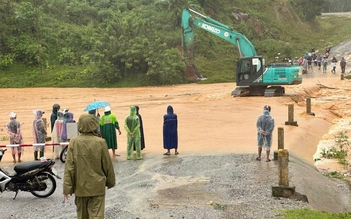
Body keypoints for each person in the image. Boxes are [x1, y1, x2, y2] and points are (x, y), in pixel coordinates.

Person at [63, 114, 116, 219]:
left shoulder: (74, 142)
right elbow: (107, 165)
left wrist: (67, 189)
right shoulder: (101, 142)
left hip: (80, 187)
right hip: (97, 187)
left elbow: (69, 167)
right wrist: (110, 182)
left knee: (82, 216)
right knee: (97, 216)